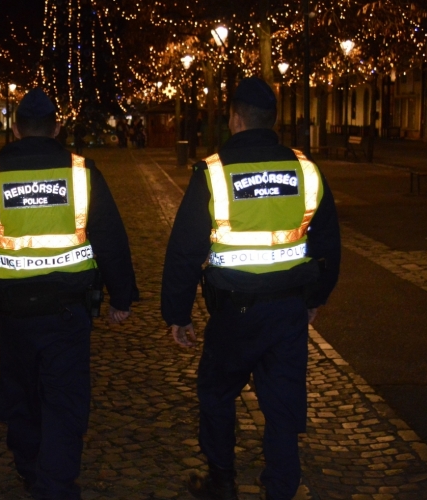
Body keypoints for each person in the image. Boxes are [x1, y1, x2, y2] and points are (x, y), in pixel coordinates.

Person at [0, 88, 136, 500]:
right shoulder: (81, 174)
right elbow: (111, 239)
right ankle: (56, 484)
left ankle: (30, 469)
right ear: (57, 128)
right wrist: (121, 298)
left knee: (21, 393)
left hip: (14, 314)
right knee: (64, 400)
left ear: (14, 129)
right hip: (69, 312)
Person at [161, 77, 341, 500]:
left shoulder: (214, 172)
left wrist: (178, 314)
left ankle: (222, 479)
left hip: (234, 312)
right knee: (282, 398)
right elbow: (328, 242)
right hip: (287, 309)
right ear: (272, 120)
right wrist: (316, 297)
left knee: (217, 392)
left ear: (235, 119)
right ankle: (281, 484)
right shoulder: (305, 169)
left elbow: (185, 250)